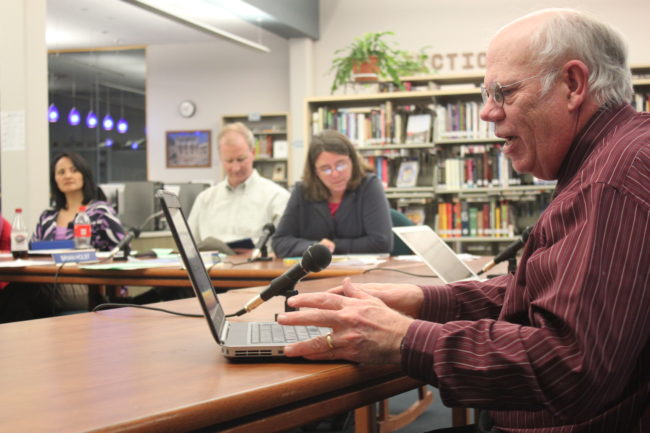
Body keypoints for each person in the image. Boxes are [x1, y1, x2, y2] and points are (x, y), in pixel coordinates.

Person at [277, 9, 649, 433]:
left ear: (573, 84)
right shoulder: (611, 160)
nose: (488, 113)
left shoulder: (612, 180)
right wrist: (424, 301)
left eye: (503, 92)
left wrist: (402, 337)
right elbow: (556, 292)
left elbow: (568, 366)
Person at [0, 152, 127, 322]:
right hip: (46, 281)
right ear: (55, 180)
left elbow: (122, 253)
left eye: (73, 170)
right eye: (61, 172)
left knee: (19, 289)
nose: (67, 175)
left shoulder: (100, 212)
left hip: (86, 285)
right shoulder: (47, 217)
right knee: (19, 291)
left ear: (84, 174)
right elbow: (30, 255)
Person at [272, 130, 393, 258]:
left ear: (352, 161)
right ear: (315, 171)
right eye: (326, 169)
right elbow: (279, 242)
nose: (335, 174)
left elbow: (382, 242)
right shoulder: (302, 191)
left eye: (341, 165)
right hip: (314, 275)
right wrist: (315, 247)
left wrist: (334, 246)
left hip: (361, 274)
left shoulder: (369, 186)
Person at [187, 122, 290, 249]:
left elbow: (282, 248)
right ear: (220, 158)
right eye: (229, 161)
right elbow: (188, 246)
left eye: (241, 159)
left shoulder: (277, 197)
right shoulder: (204, 199)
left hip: (254, 267)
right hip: (209, 268)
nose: (235, 168)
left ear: (252, 153)